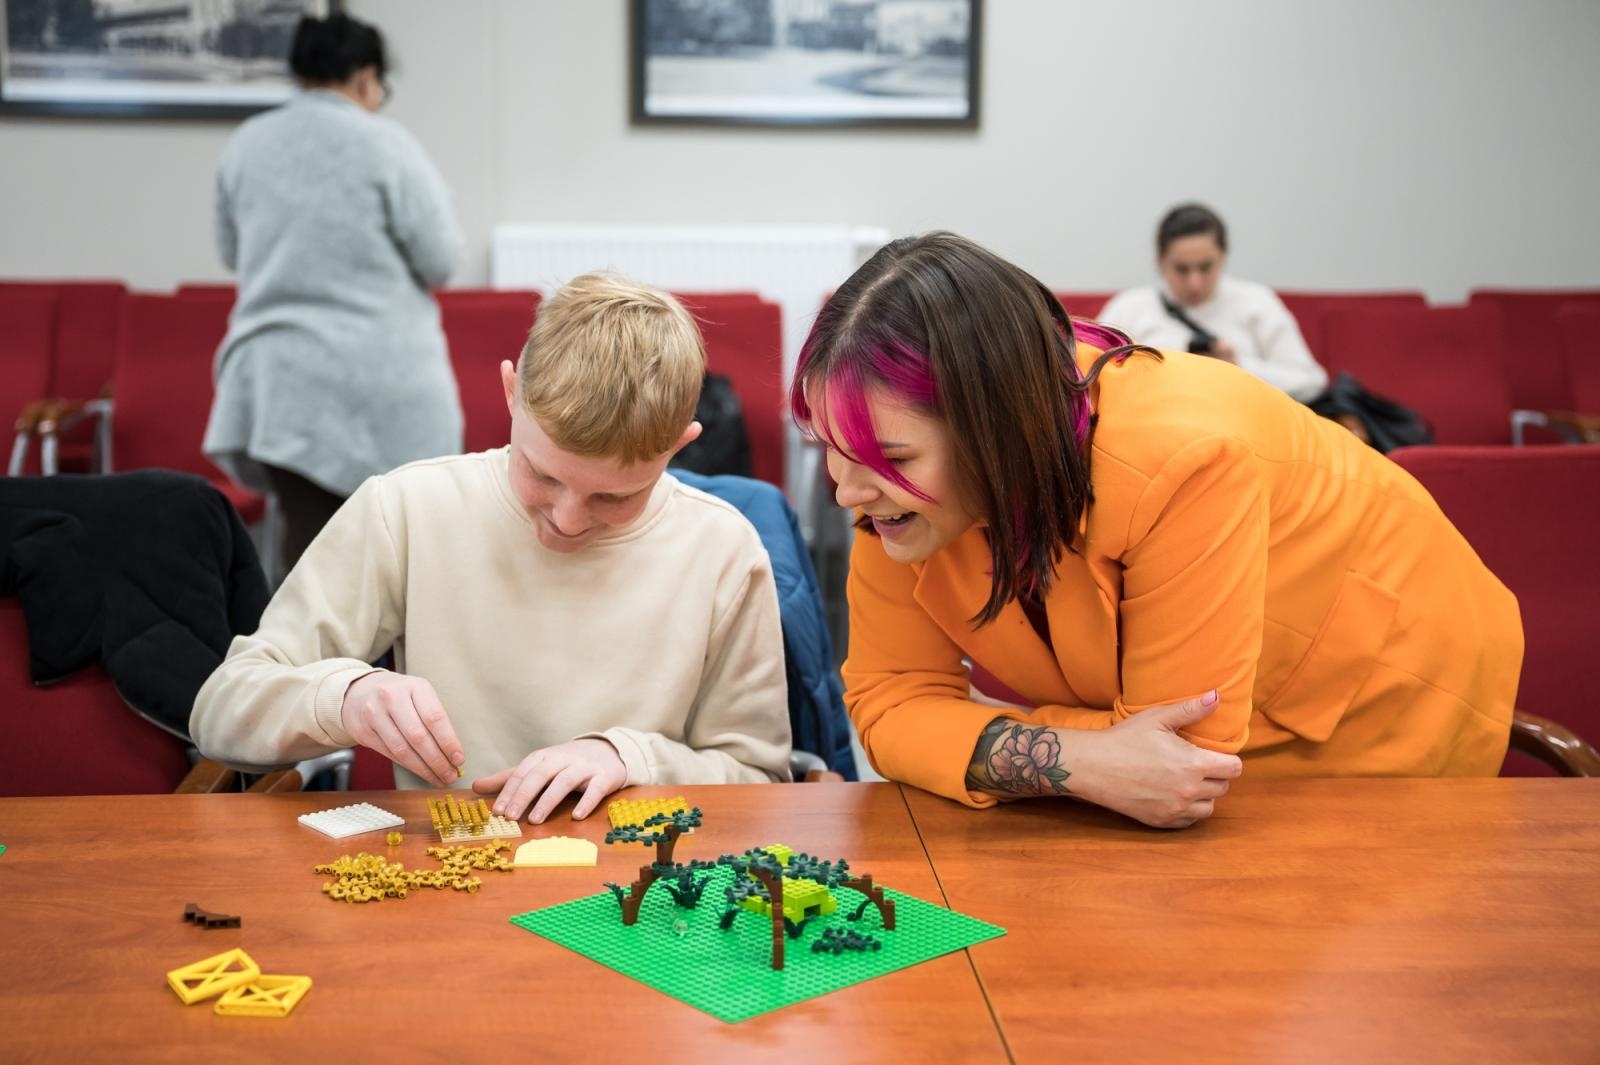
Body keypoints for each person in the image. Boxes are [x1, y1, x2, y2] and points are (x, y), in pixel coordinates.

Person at [791, 232, 1520, 829]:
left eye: (892, 456)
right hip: (1199, 770)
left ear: (995, 428)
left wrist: (978, 729)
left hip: (1379, 706)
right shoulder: (885, 490)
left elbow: (1175, 764)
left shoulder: (1182, 456)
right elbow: (888, 705)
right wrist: (1085, 755)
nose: (846, 491)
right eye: (829, 444)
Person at [193, 274, 793, 822]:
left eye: (613, 497)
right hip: (450, 883)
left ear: (680, 445)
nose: (566, 520)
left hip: (640, 893)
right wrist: (344, 697)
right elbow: (220, 714)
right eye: (543, 475)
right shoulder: (406, 509)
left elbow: (761, 782)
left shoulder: (722, 550)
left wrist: (630, 758)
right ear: (511, 393)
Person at [203, 13, 464, 571]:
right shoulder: (388, 144)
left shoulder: (246, 144)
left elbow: (231, 252)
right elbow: (441, 260)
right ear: (367, 76)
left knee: (310, 557)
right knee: (404, 555)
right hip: (386, 385)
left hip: (282, 387)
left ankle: (299, 660)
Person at [1100, 203, 1329, 402]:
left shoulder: (1256, 303)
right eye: (1182, 269)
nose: (1194, 283)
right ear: (1160, 261)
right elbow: (1093, 378)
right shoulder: (1128, 309)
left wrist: (1238, 367)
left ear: (1223, 256)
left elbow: (1311, 381)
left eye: (1205, 267)